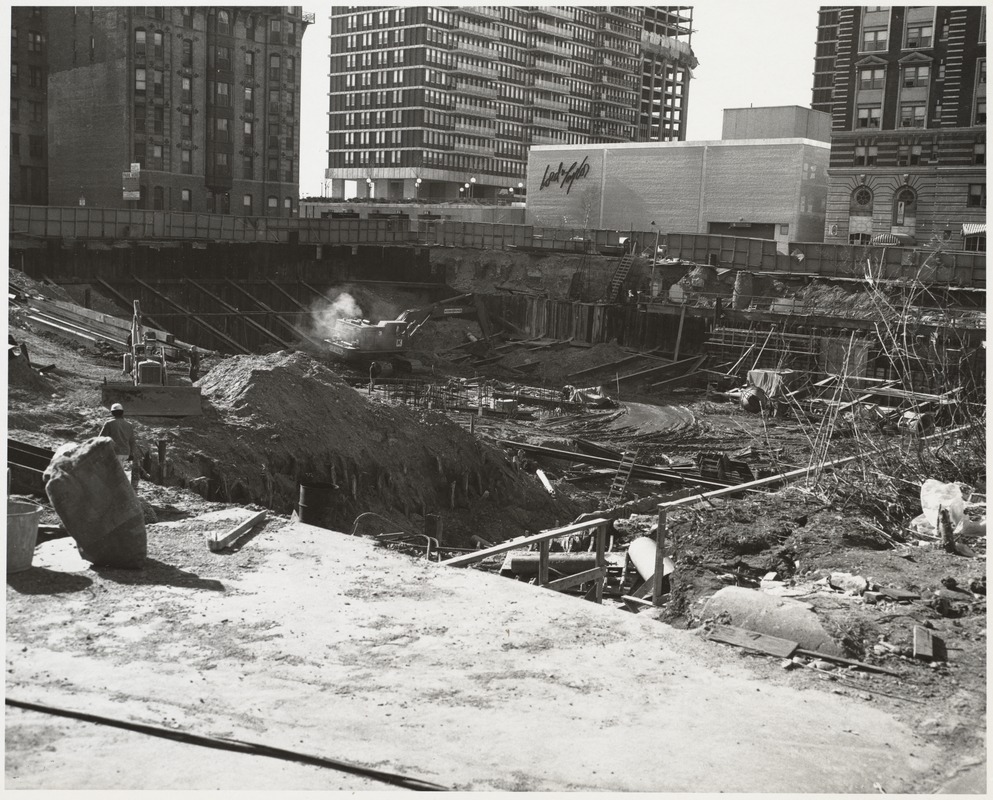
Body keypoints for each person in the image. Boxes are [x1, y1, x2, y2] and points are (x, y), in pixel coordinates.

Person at [99, 402, 141, 489]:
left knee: (115, 474)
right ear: (122, 412)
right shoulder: (129, 425)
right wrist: (132, 454)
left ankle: (118, 491)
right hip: (126, 453)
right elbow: (132, 441)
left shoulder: (109, 423)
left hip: (115, 453)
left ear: (112, 413)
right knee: (124, 474)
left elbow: (101, 439)